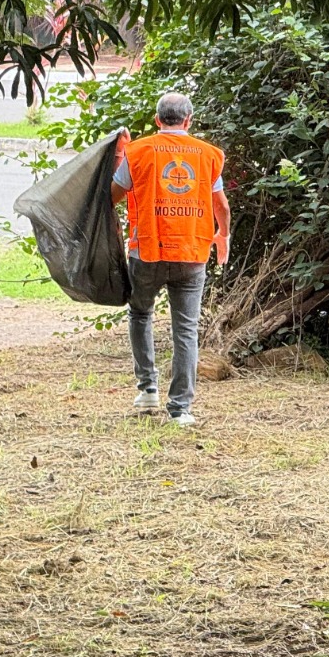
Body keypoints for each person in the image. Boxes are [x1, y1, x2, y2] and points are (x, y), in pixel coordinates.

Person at [112, 92, 231, 427]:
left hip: (147, 250)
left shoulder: (138, 152)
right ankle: (180, 409)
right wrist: (223, 235)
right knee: (186, 330)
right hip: (192, 253)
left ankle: (147, 388)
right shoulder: (208, 155)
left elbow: (112, 196)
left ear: (157, 119)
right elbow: (220, 205)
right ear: (189, 121)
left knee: (140, 313)